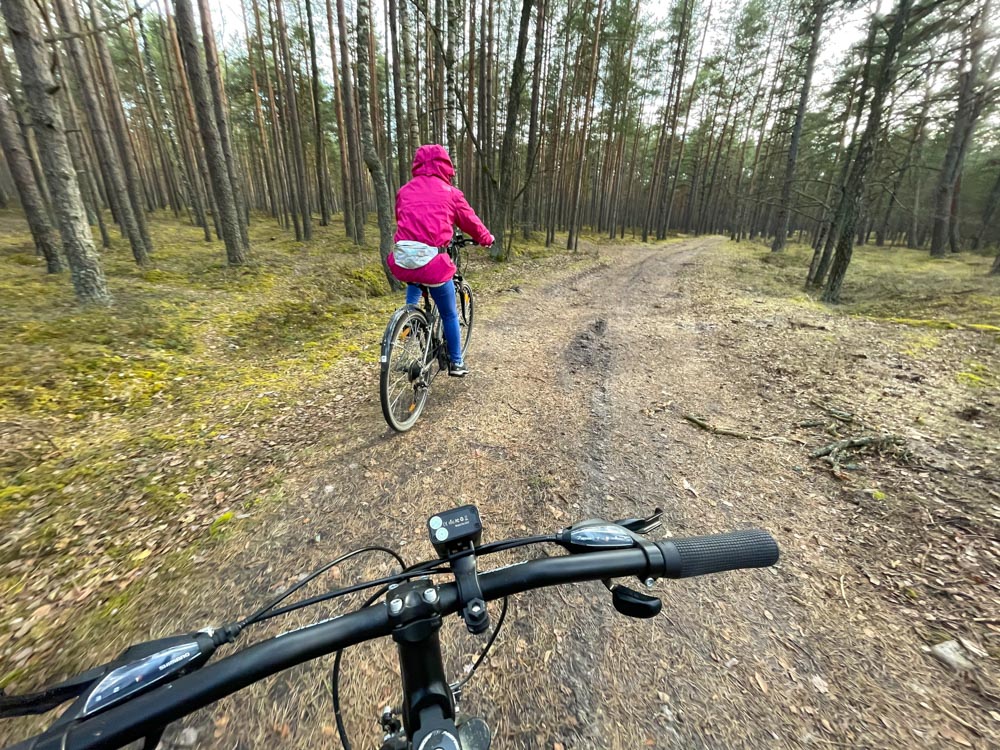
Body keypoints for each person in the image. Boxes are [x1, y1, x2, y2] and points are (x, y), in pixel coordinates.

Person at [388, 144, 494, 377]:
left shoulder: (404, 191)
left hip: (402, 259)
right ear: (445, 165)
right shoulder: (450, 193)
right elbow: (470, 222)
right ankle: (456, 361)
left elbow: (401, 217)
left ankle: (410, 318)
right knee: (448, 313)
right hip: (432, 263)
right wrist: (486, 238)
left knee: (415, 277)